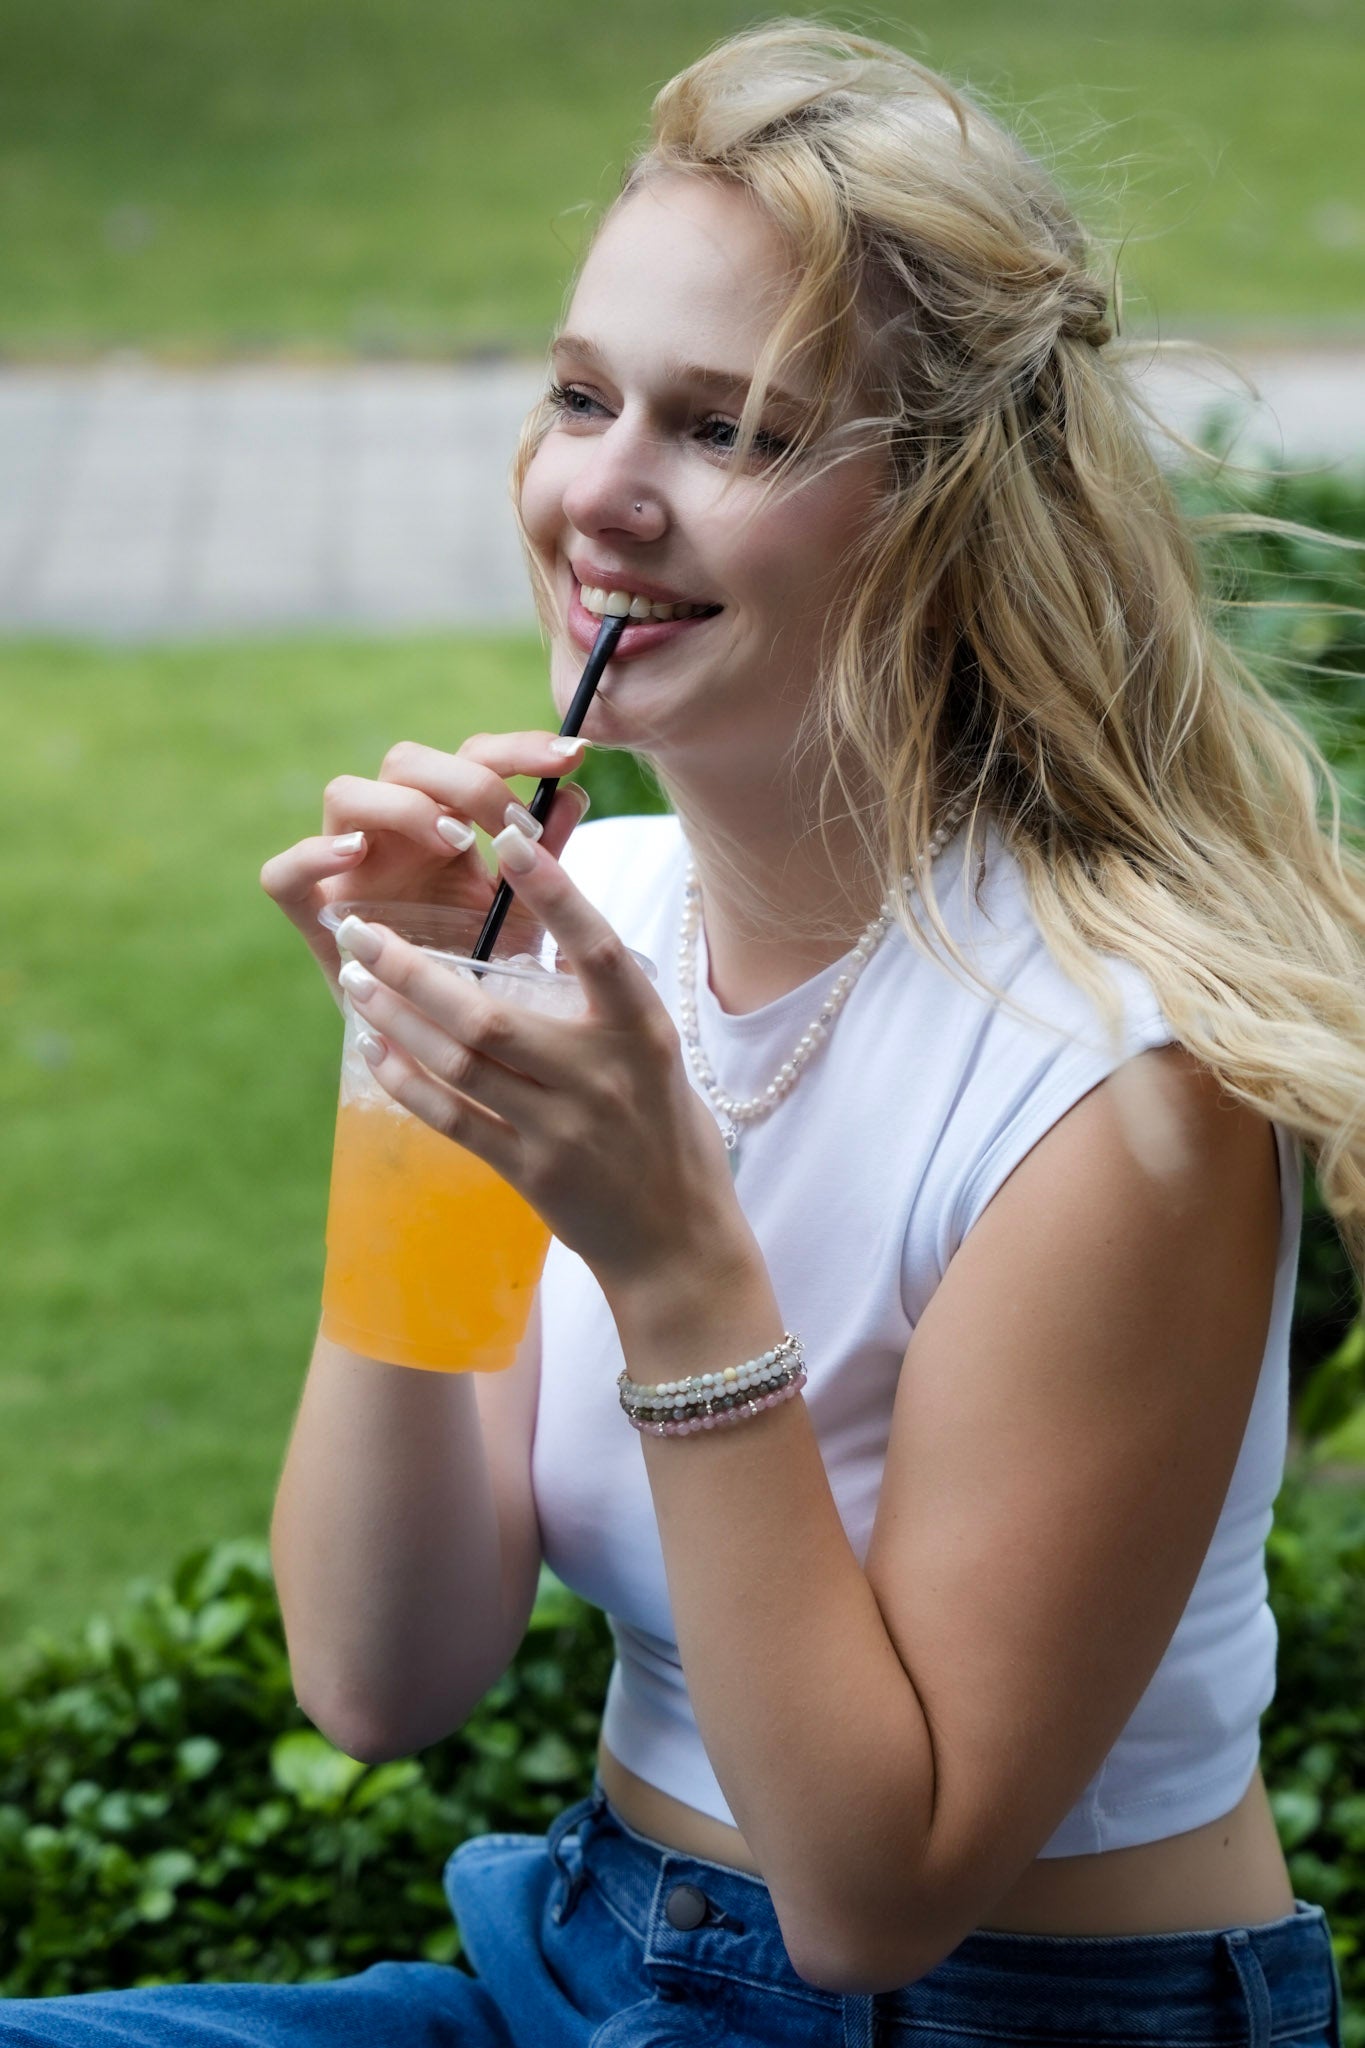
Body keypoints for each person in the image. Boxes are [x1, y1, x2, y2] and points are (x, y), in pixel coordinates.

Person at [5, 19, 1359, 2047]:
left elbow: (872, 1897)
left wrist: (669, 1252)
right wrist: (410, 1076)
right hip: (583, 1958)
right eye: (578, 396)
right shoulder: (595, 928)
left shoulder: (1110, 1083)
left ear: (935, 511)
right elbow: (377, 1675)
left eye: (723, 429)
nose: (598, 494)